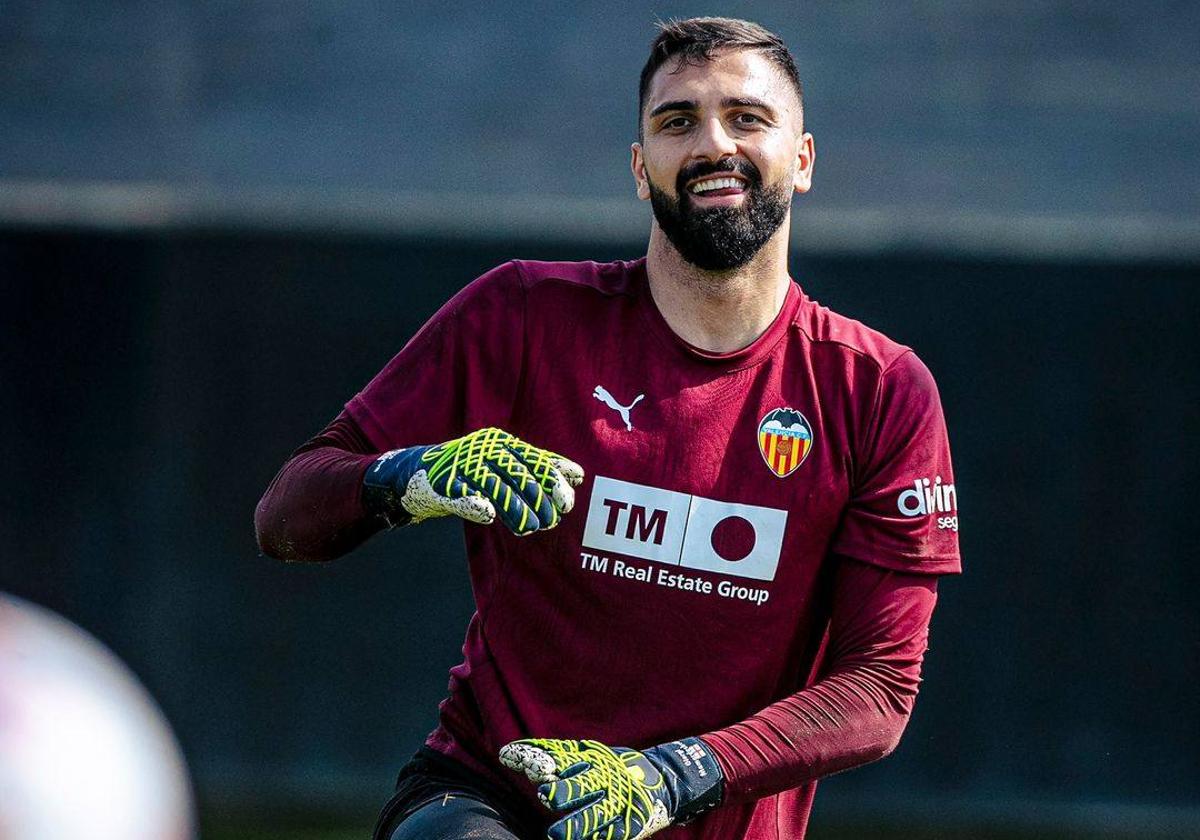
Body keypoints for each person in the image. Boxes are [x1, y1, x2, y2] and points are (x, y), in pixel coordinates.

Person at [255, 16, 961, 840]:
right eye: (676, 121)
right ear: (639, 169)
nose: (711, 144)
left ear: (802, 160)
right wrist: (411, 477)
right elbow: (284, 515)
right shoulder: (520, 314)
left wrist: (673, 774)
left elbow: (878, 690)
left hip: (709, 810)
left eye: (747, 117)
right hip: (492, 798)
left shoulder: (877, 389)